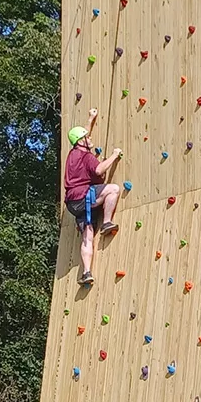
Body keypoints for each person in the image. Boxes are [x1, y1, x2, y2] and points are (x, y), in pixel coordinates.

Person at [64, 108, 121, 285]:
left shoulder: (73, 154)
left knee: (87, 236)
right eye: (87, 138)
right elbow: (98, 170)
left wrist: (90, 118)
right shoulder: (86, 156)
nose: (90, 139)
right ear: (81, 141)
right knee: (113, 189)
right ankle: (106, 223)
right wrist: (114, 154)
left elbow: (81, 135)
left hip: (73, 204)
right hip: (83, 196)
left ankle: (86, 272)